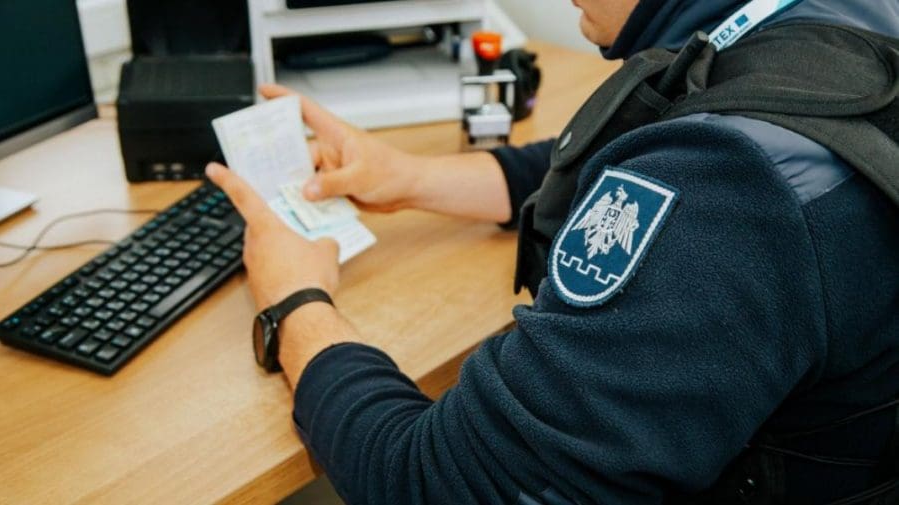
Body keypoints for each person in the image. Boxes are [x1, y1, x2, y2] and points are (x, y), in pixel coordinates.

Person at [206, 0, 899, 503]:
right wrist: (413, 178)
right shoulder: (832, 35)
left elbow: (437, 482)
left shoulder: (726, 192)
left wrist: (294, 302)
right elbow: (641, 136)